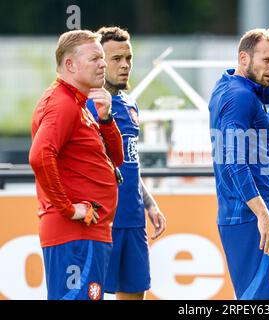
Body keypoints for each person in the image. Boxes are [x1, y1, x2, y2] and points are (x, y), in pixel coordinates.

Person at [29, 30, 124, 300]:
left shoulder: (77, 103)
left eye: (102, 58)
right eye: (95, 58)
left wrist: (105, 120)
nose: (103, 64)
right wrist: (69, 209)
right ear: (70, 65)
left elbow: (115, 160)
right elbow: (39, 156)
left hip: (87, 234)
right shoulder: (63, 104)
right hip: (77, 235)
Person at [208, 28, 269, 300]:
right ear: (244, 58)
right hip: (249, 215)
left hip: (250, 212)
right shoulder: (241, 97)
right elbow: (233, 163)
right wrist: (262, 215)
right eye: (266, 61)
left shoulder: (240, 85)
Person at [86, 26, 167, 300]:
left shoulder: (130, 104)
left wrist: (149, 203)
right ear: (99, 62)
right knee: (91, 294)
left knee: (135, 294)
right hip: (101, 220)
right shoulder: (86, 104)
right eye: (116, 59)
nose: (125, 65)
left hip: (133, 219)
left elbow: (130, 162)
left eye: (128, 58)